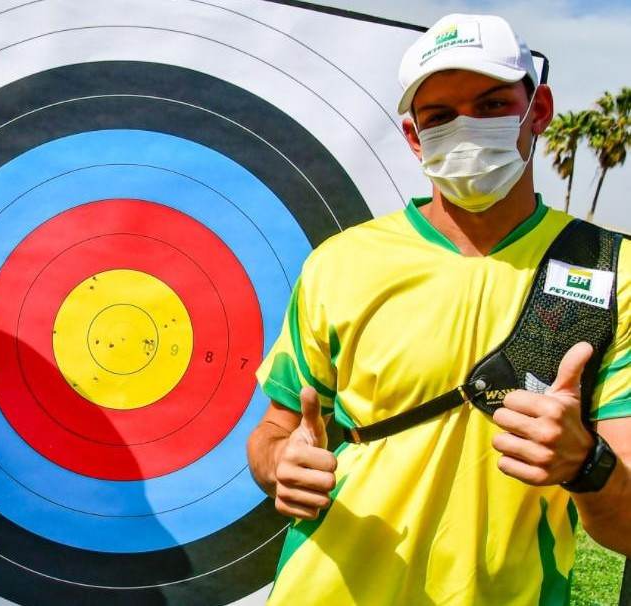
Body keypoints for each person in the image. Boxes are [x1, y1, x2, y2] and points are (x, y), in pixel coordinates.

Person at [247, 14, 631, 605]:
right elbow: (276, 428)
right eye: (441, 117)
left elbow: (625, 529)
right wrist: (280, 463)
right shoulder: (341, 261)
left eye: (493, 104)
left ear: (540, 109)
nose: (468, 129)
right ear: (413, 137)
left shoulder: (613, 272)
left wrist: (585, 463)